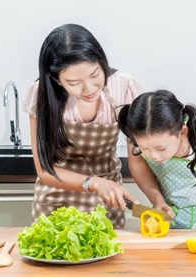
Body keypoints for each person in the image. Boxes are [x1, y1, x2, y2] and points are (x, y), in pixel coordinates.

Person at [22, 23, 143, 228]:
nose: (89, 89)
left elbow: (138, 159)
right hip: (55, 198)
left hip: (107, 199)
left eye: (95, 75)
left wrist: (157, 200)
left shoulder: (124, 87)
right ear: (55, 78)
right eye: (74, 83)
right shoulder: (40, 94)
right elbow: (45, 170)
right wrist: (93, 183)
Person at [118, 89, 196, 229]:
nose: (154, 155)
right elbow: (138, 165)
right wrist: (158, 201)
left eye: (161, 148)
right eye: (144, 149)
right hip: (172, 226)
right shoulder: (138, 138)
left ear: (182, 132)